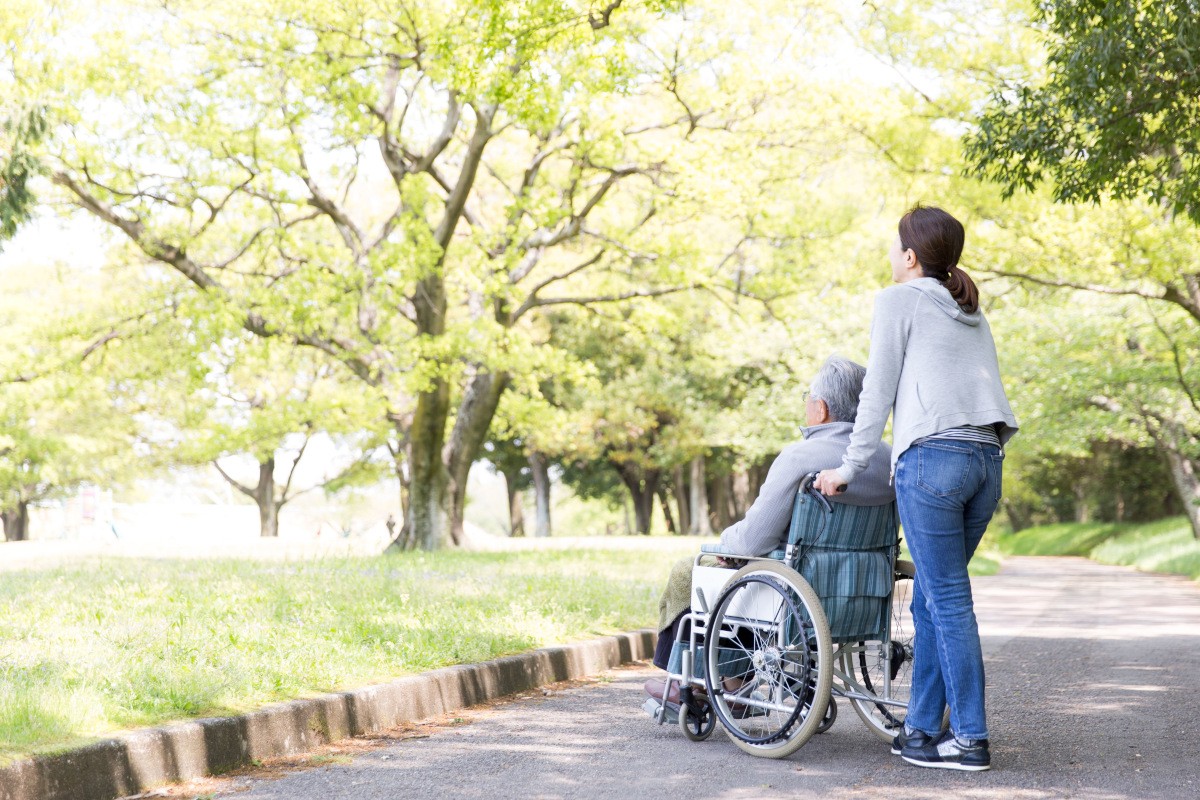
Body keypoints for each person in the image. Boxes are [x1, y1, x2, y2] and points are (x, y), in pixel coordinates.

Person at [814, 205, 1018, 772]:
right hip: (986, 460)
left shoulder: (898, 299)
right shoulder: (967, 309)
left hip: (934, 460)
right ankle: (923, 731)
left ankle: (971, 738)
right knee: (931, 596)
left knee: (947, 599)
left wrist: (847, 469)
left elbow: (876, 392)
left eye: (894, 246)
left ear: (910, 256)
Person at [645, 355, 893, 705]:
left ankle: (689, 680)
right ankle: (732, 681)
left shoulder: (800, 456)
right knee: (753, 572)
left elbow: (751, 540)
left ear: (820, 409)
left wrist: (723, 544)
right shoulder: (889, 460)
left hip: (794, 589)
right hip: (861, 590)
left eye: (807, 399)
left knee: (693, 571)